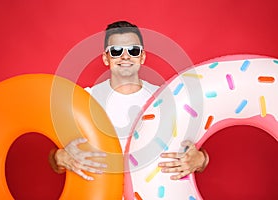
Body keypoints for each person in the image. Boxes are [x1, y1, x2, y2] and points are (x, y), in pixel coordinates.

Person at [49, 20, 209, 183]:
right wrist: (59, 157)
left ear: (142, 57)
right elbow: (57, 151)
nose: (125, 56)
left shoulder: (164, 97)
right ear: (106, 58)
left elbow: (189, 144)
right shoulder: (86, 98)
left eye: (133, 50)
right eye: (116, 51)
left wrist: (202, 159)